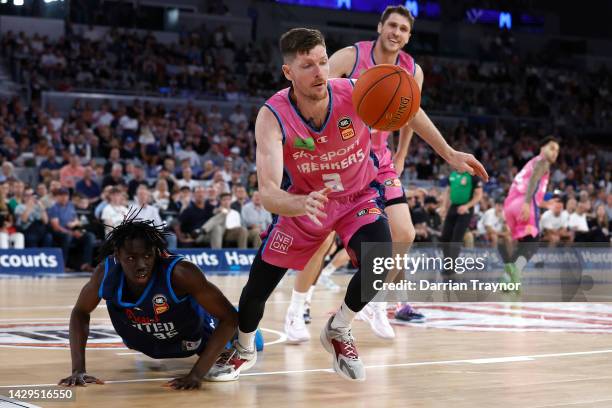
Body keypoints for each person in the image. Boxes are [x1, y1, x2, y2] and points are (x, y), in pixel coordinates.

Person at [205, 28, 487, 382]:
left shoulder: (353, 91)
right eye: (308, 65)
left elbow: (409, 109)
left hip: (357, 198)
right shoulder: (272, 115)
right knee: (257, 290)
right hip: (306, 205)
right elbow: (268, 193)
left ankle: (338, 328)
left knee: (382, 258)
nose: (320, 72)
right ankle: (244, 351)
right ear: (288, 72)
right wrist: (298, 203)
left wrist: (448, 153)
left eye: (323, 62)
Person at [283, 5, 488, 341]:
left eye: (403, 29)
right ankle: (296, 309)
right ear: (380, 27)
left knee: (404, 234)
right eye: (392, 25)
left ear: (408, 37)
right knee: (321, 240)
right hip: (339, 157)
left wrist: (423, 152)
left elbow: (411, 114)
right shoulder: (351, 56)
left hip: (379, 159)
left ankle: (375, 303)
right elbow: (312, 88)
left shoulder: (411, 70)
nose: (396, 33)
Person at [58, 217, 239, 390]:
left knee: (237, 324)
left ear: (156, 253)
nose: (141, 265)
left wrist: (197, 374)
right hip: (147, 341)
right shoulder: (105, 273)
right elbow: (80, 312)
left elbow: (230, 317)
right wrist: (78, 370)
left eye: (147, 256)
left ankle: (250, 337)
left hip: (195, 336)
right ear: (117, 254)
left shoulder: (181, 273)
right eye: (131, 258)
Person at [502, 137, 560, 285]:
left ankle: (508, 278)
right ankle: (514, 273)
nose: (555, 153)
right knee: (532, 243)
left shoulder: (531, 162)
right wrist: (527, 203)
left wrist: (543, 203)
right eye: (552, 148)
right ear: (542, 147)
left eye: (557, 150)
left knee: (524, 243)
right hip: (524, 201)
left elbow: (532, 186)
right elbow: (533, 181)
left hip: (510, 204)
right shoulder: (542, 161)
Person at [439, 170, 484, 276]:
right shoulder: (452, 174)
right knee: (445, 237)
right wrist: (444, 207)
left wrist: (467, 206)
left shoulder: (473, 176)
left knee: (456, 238)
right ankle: (447, 263)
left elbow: (479, 195)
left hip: (466, 208)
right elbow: (448, 191)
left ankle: (451, 267)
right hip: (453, 207)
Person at [48, 187, 96, 272]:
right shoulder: (54, 208)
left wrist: (77, 229)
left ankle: (85, 264)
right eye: (61, 195)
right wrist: (71, 232)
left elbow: (76, 220)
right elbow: (56, 226)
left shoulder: (71, 205)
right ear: (57, 197)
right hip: (59, 233)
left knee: (89, 236)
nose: (64, 197)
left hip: (72, 231)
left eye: (66, 195)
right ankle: (63, 265)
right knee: (67, 237)